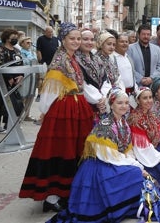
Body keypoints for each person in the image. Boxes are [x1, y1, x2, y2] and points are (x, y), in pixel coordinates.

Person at [19, 23, 94, 212]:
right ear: (63, 40)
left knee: (72, 150)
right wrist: (45, 112)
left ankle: (66, 191)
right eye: (72, 38)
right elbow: (49, 92)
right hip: (63, 112)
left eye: (78, 38)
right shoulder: (59, 60)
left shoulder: (73, 58)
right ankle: (52, 196)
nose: (76, 42)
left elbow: (82, 85)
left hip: (77, 108)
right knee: (60, 150)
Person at [50, 88, 146, 223]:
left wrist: (134, 162)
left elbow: (126, 150)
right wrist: (137, 165)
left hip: (113, 161)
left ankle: (125, 207)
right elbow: (110, 156)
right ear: (111, 105)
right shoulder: (104, 126)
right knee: (134, 172)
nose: (124, 106)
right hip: (99, 166)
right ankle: (116, 208)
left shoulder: (123, 123)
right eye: (119, 103)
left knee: (135, 172)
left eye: (125, 103)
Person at [0, 28, 24, 133]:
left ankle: (8, 124)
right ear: (6, 38)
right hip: (3, 80)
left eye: (16, 37)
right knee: (1, 101)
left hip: (15, 80)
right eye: (13, 38)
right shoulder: (0, 49)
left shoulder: (16, 50)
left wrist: (21, 75)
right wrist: (9, 77)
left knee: (13, 102)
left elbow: (20, 64)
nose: (15, 39)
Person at [76, 29, 108, 123]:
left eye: (92, 39)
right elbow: (83, 85)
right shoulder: (75, 59)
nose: (89, 42)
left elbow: (106, 80)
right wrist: (99, 100)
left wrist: (104, 97)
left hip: (101, 103)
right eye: (85, 39)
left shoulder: (97, 59)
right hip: (85, 104)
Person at [114, 32, 138, 106]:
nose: (124, 44)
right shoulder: (112, 58)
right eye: (121, 42)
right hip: (119, 95)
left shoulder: (128, 58)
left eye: (126, 42)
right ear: (116, 43)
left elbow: (133, 76)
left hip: (131, 95)